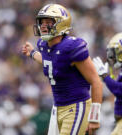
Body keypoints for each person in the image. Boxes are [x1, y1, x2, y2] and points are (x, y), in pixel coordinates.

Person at [22, 3, 103, 135]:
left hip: (76, 106)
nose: (43, 26)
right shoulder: (43, 45)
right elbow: (51, 62)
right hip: (57, 107)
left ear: (61, 24)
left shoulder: (71, 47)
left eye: (48, 22)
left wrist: (94, 117)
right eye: (41, 22)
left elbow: (96, 81)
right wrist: (32, 54)